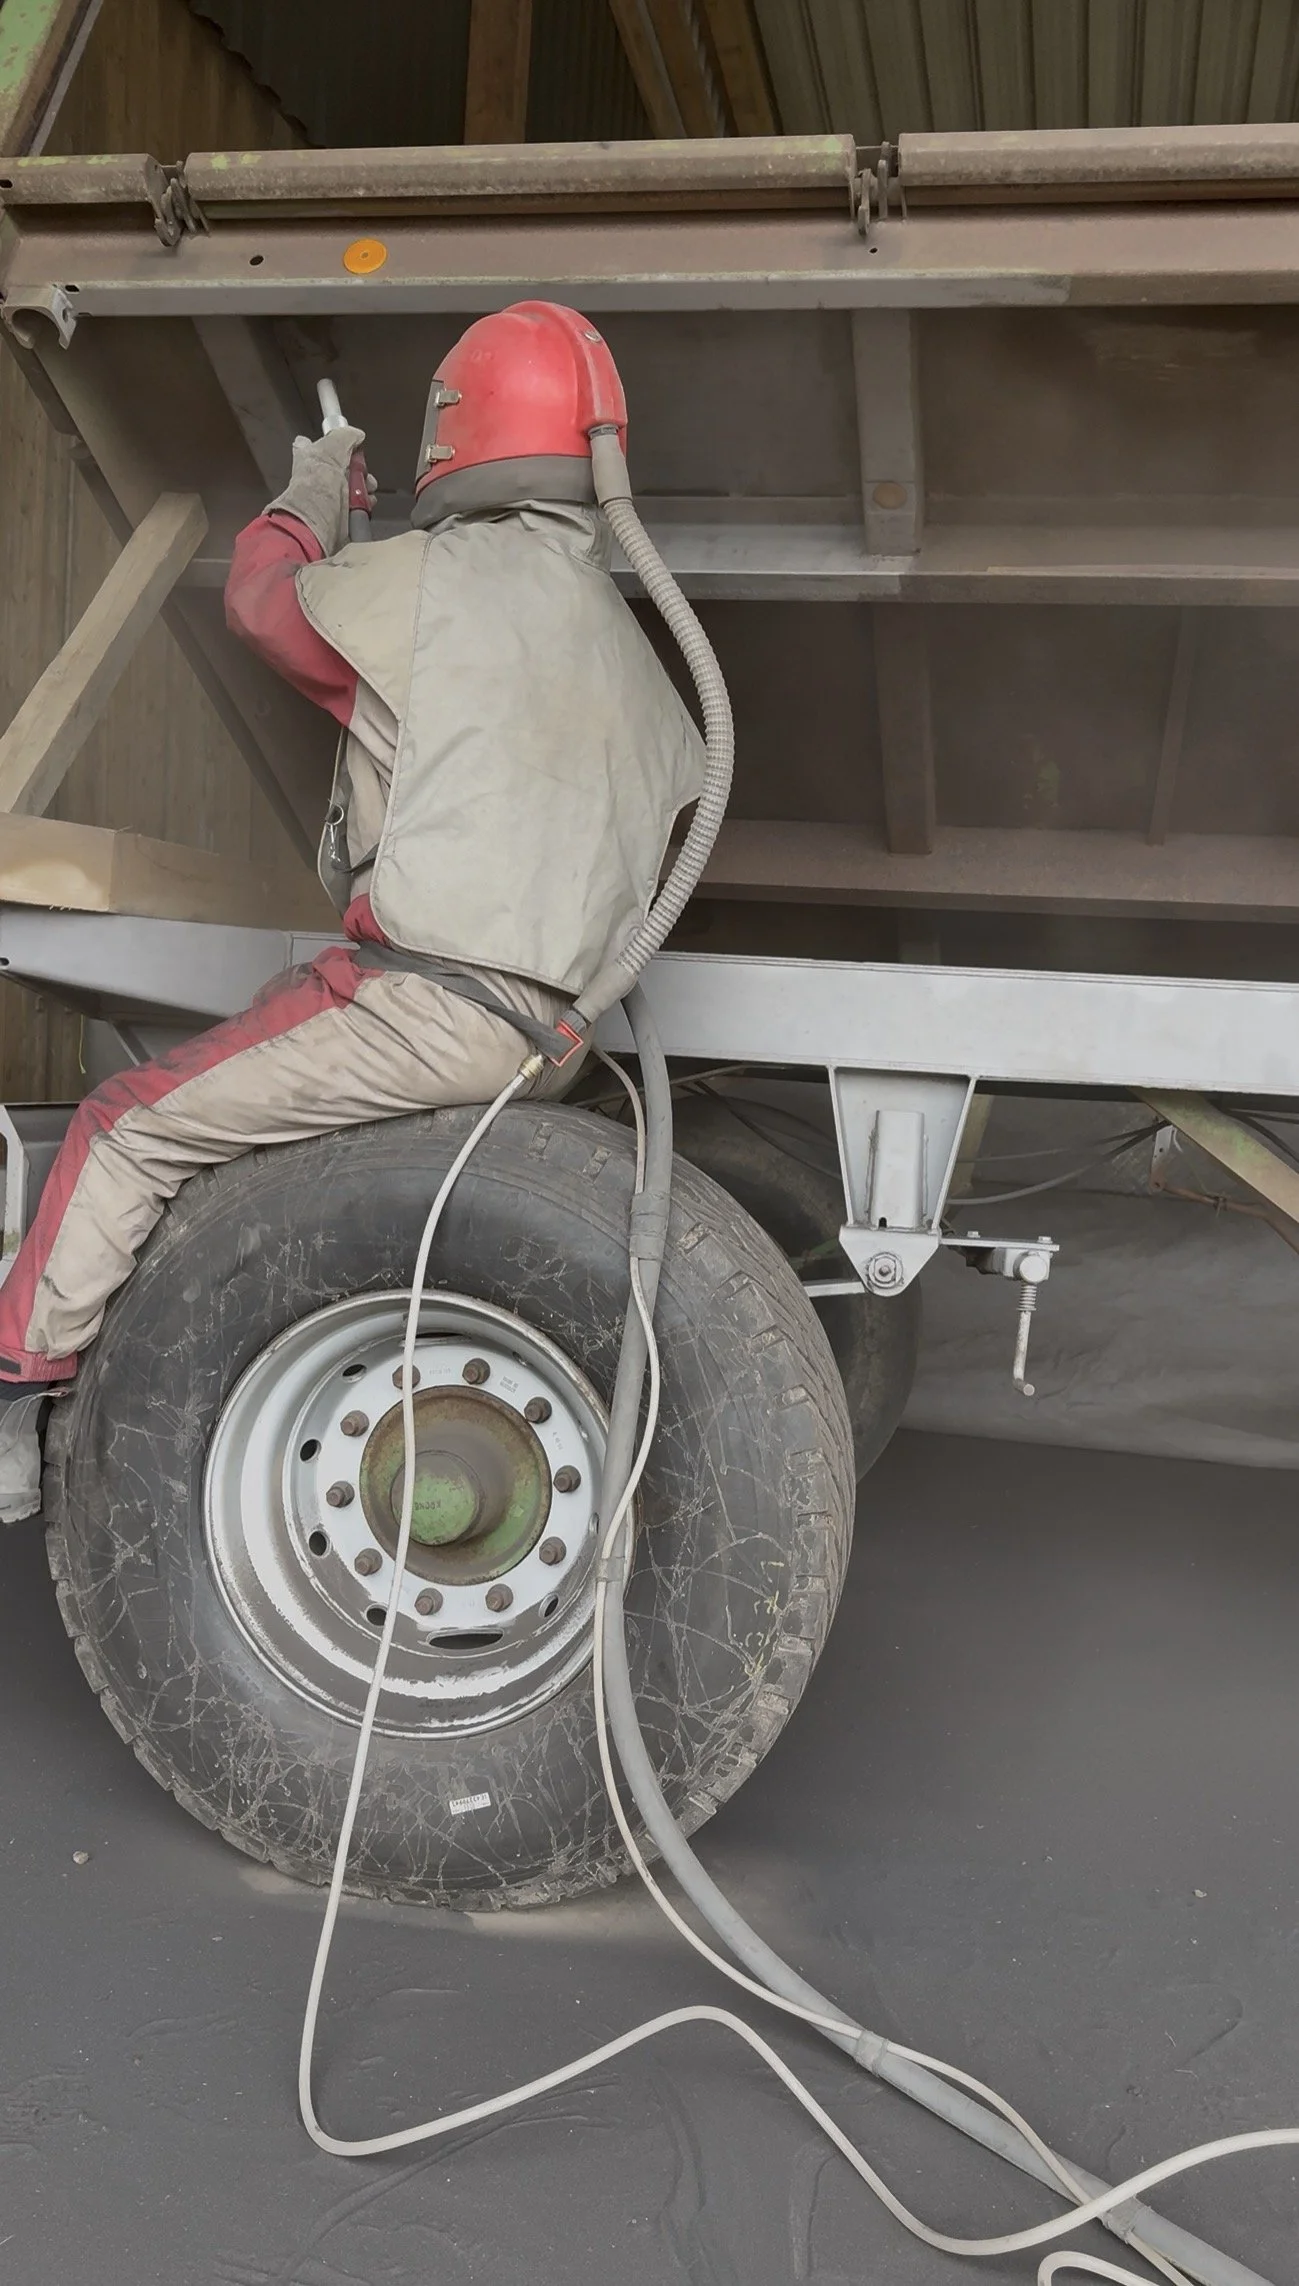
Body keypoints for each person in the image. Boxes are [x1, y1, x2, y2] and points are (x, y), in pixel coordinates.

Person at [0, 300, 705, 1520]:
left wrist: (315, 489)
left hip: (423, 1008)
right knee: (262, 1043)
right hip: (548, 1038)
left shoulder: (437, 584)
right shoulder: (645, 663)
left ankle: (10, 1405)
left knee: (125, 1126)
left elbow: (266, 604)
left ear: (457, 432)